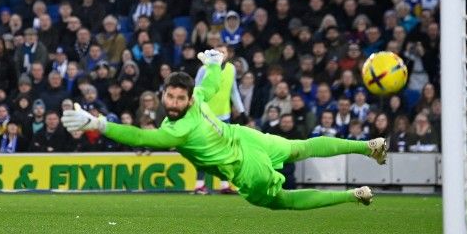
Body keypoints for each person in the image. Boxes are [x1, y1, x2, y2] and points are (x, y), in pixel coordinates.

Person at [62, 49, 386, 210]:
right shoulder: (197, 99)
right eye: (170, 96)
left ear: (187, 98)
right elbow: (211, 84)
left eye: (179, 97)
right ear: (165, 95)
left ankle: (352, 193)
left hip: (244, 165)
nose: (174, 102)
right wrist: (215, 63)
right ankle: (367, 147)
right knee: (300, 146)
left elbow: (141, 137)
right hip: (248, 138)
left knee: (282, 201)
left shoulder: (178, 130)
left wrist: (99, 124)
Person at [192, 44, 245, 194]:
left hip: (224, 116)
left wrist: (241, 111)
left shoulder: (232, 69)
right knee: (204, 150)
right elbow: (195, 90)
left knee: (223, 151)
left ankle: (224, 185)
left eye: (223, 52)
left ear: (228, 54)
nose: (220, 54)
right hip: (205, 115)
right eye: (217, 52)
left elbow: (233, 90)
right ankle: (199, 184)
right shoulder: (204, 69)